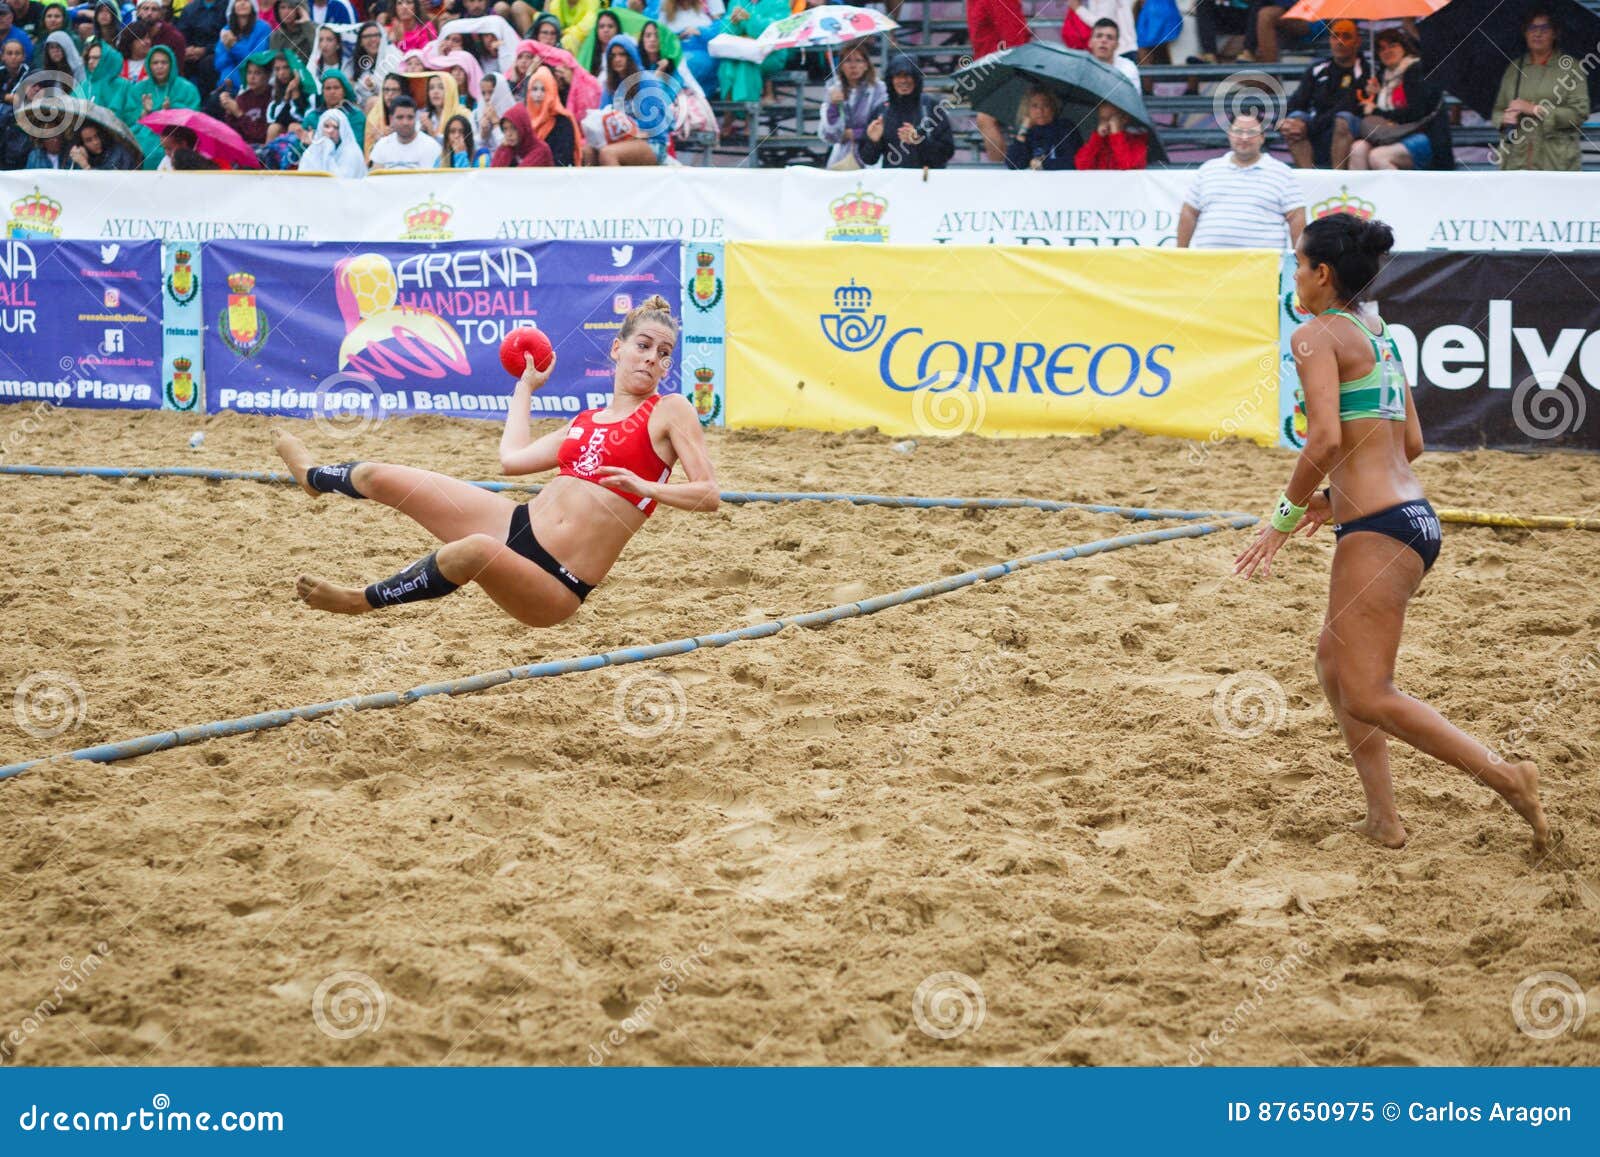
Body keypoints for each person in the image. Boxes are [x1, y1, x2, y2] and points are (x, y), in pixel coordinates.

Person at [1234, 213, 1549, 854]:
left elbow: (1323, 438)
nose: (1294, 274)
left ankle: (1506, 777)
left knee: (1370, 693)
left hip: (1379, 530)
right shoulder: (1380, 335)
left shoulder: (1315, 334)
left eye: (1299, 263)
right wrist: (1334, 498)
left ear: (1322, 275)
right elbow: (1410, 442)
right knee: (1332, 661)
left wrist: (1284, 517)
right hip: (1411, 519)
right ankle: (1383, 818)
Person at [273, 295, 718, 629]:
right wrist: (526, 387)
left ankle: (360, 600)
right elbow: (511, 460)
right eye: (643, 345)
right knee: (378, 474)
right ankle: (313, 479)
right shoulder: (587, 421)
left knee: (474, 551)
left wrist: (646, 488)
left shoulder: (669, 409)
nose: (652, 358)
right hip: (516, 523)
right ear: (617, 348)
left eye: (663, 354)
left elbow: (709, 496)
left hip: (556, 582)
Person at [1177, 110, 1303, 249]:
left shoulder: (1282, 173)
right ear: (1229, 134)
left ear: (1262, 137)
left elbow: (1296, 217)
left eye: (1251, 132)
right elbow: (1189, 213)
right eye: (1238, 131)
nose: (1244, 137)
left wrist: (1298, 261)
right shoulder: (1208, 170)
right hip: (1210, 265)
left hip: (1264, 266)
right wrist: (1180, 253)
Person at [1492, 7, 1590, 172]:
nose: (1537, 33)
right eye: (1532, 28)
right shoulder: (1514, 68)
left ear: (1555, 33)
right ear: (1525, 33)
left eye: (1544, 28)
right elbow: (1498, 109)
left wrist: (1535, 109)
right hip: (1517, 159)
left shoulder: (1572, 68)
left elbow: (1579, 114)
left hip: (1556, 160)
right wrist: (1503, 118)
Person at [1349, 27, 1452, 172]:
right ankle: (1361, 195)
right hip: (1391, 136)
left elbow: (1415, 112)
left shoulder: (1417, 70)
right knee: (1357, 149)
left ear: (1404, 47)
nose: (1387, 51)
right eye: (1382, 48)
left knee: (1378, 156)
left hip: (1424, 136)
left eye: (1393, 45)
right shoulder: (1381, 77)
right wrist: (1372, 95)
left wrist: (1377, 110)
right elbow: (1363, 111)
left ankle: (1396, 195)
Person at [1278, 19, 1367, 170]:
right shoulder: (1317, 69)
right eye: (1335, 36)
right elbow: (1296, 102)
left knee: (1343, 119)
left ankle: (1336, 179)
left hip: (1349, 132)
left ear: (1357, 42)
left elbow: (1346, 106)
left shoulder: (1366, 72)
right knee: (1295, 119)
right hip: (1318, 128)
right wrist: (1286, 122)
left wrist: (1309, 126)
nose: (1339, 41)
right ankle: (1309, 180)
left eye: (1346, 36)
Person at [859, 52, 954, 170]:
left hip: (926, 182)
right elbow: (868, 159)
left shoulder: (931, 107)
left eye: (908, 75)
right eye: (898, 76)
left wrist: (919, 142)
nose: (903, 81)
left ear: (916, 78)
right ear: (891, 79)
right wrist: (873, 142)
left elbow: (947, 152)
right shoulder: (881, 111)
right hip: (892, 183)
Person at [598, 33, 666, 165]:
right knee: (588, 150)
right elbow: (603, 116)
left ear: (632, 56)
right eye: (613, 55)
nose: (617, 59)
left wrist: (624, 130)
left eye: (622, 54)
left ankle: (619, 186)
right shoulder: (610, 85)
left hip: (652, 143)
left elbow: (652, 128)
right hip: (621, 141)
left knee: (607, 153)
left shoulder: (647, 81)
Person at [819, 41, 882, 171]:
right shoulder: (834, 89)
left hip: (871, 154)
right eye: (848, 61)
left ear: (866, 65)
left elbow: (883, 123)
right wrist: (834, 106)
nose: (853, 66)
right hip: (842, 156)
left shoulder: (879, 89)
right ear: (841, 66)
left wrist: (855, 133)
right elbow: (828, 134)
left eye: (858, 61)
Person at [1004, 87, 1079, 171]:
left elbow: (1074, 161)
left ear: (1053, 108)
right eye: (1034, 106)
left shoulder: (1065, 127)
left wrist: (1043, 164)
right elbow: (1013, 164)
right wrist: (1022, 131)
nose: (1040, 110)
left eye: (1046, 105)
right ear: (1027, 109)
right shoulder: (1028, 132)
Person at [661, 0, 719, 98]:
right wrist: (678, 38)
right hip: (676, 54)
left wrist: (700, 32)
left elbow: (716, 35)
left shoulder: (703, 12)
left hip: (701, 54)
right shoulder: (665, 16)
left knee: (686, 65)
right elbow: (661, 41)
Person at [368, 91, 442, 166]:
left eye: (410, 117)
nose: (405, 122)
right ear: (391, 119)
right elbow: (376, 175)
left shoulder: (431, 147)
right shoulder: (382, 146)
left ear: (416, 118)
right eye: (400, 117)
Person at [525, 62, 578, 165]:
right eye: (534, 89)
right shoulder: (525, 122)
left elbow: (563, 160)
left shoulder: (563, 121)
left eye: (543, 89)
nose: (538, 95)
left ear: (552, 92)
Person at [213, 0, 270, 92]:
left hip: (253, 83)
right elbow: (219, 63)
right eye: (238, 0)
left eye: (247, 0)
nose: (242, 3)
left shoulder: (263, 28)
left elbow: (256, 60)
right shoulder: (226, 30)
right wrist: (228, 78)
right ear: (232, 6)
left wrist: (234, 46)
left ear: (253, 6)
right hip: (228, 83)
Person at [1074, 100, 1147, 169]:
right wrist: (1097, 138)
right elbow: (1080, 165)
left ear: (1124, 118)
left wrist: (1116, 135)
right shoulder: (1098, 141)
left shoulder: (1137, 141)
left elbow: (1128, 167)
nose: (1106, 123)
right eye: (1102, 119)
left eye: (1110, 119)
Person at [296, 104, 366, 174]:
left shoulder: (352, 151)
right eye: (326, 126)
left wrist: (327, 150)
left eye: (336, 127)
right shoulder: (312, 151)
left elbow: (340, 181)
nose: (330, 131)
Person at [217, 57, 271, 144]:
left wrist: (238, 113)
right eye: (249, 73)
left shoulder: (271, 97)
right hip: (242, 144)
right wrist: (229, 112)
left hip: (260, 145)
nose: (252, 77)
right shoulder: (243, 98)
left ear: (267, 76)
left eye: (257, 73)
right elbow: (232, 131)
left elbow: (260, 134)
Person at [175, 0, 224, 93]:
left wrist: (205, 50)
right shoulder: (190, 8)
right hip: (191, 52)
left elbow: (226, 37)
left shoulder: (226, 7)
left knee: (208, 64)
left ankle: (205, 101)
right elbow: (181, 34)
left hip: (215, 51)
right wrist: (186, 49)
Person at [491, 99, 552, 164]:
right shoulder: (510, 146)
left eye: (514, 128)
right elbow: (493, 172)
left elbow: (521, 173)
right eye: (505, 129)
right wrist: (505, 148)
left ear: (524, 127)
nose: (508, 134)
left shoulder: (541, 150)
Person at [1086, 17, 1138, 85]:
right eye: (1099, 36)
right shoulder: (1081, 67)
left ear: (1117, 45)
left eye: (1109, 37)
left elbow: (1132, 95)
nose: (1103, 41)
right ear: (1090, 42)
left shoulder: (1128, 68)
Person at [68, 120, 138, 168]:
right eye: (89, 140)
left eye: (96, 136)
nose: (95, 142)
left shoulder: (117, 154)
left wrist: (85, 166)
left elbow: (107, 183)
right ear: (82, 144)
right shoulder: (79, 155)